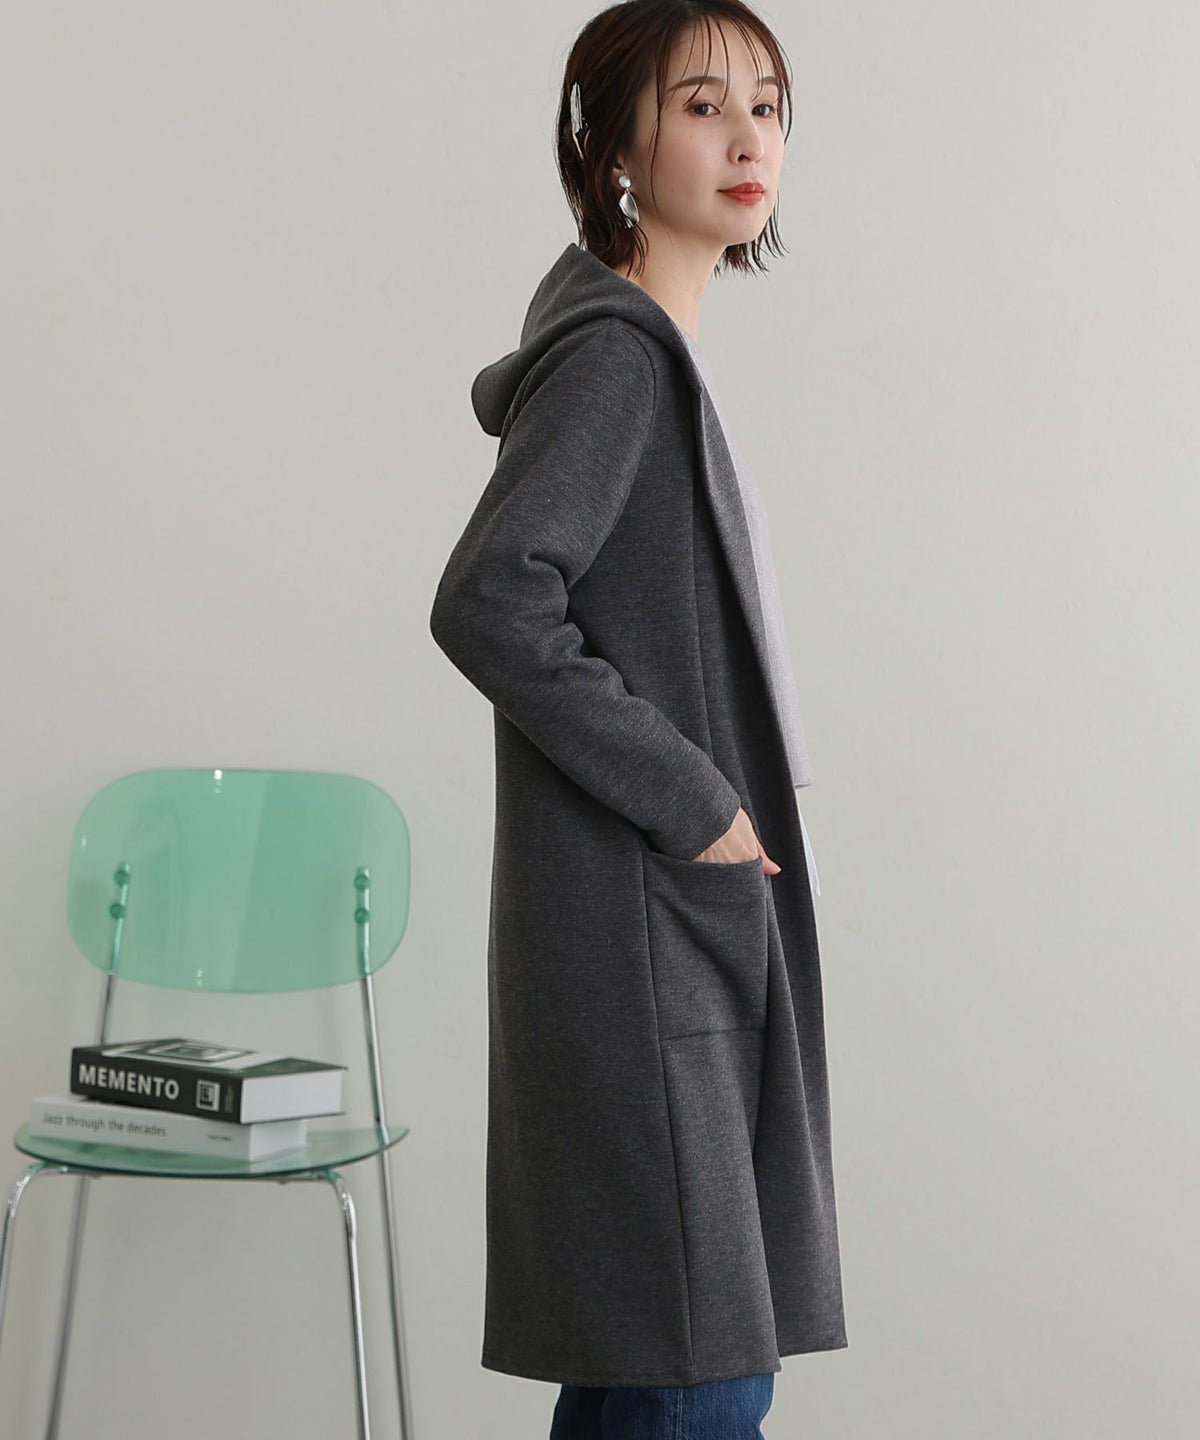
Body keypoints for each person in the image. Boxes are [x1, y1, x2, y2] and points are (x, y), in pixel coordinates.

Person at [429, 2, 848, 1435]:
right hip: (640, 927)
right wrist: (696, 802)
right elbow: (492, 601)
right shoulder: (617, 358)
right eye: (701, 106)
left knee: (653, 1355)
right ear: (613, 146)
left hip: (655, 921)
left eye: (767, 106)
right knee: (699, 1363)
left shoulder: (643, 348)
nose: (747, 139)